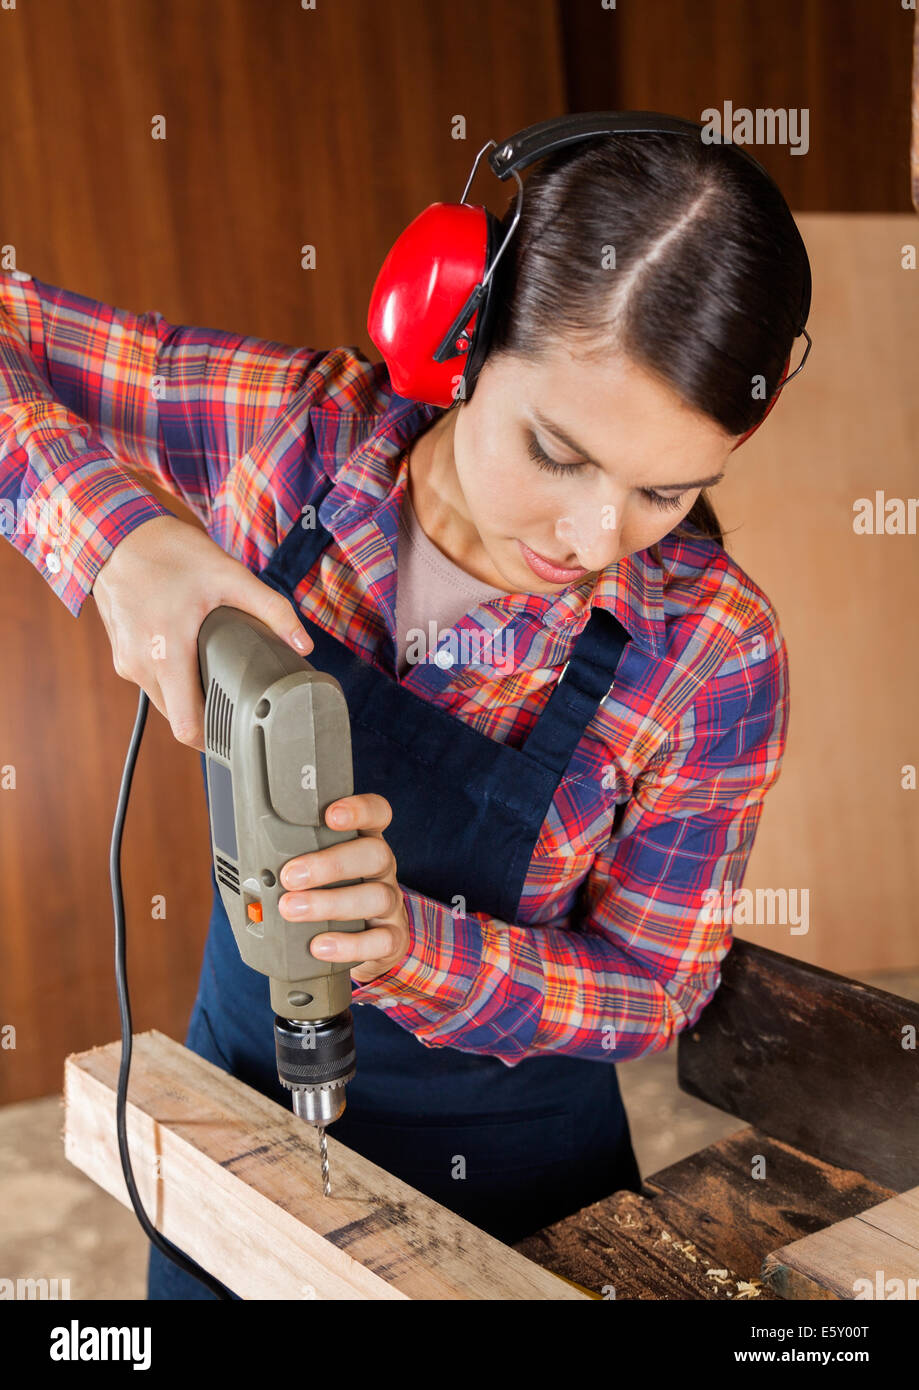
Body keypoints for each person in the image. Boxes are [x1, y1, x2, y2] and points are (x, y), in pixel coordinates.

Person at [0, 129, 804, 1299]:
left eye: (664, 492)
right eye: (554, 450)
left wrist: (414, 949)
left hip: (523, 1189)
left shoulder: (710, 650)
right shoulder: (299, 438)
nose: (591, 539)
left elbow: (658, 980)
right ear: (457, 333)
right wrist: (117, 542)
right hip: (238, 1113)